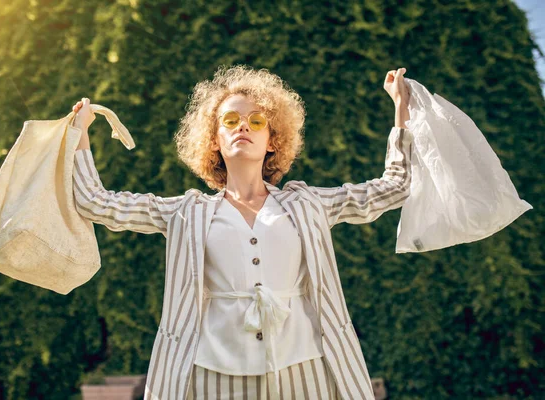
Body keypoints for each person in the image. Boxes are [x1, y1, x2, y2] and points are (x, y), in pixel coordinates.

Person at [70, 64, 412, 400]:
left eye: (256, 121)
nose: (242, 127)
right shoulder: (188, 212)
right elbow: (96, 203)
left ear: (272, 141)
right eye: (230, 121)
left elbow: (394, 187)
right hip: (214, 371)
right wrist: (79, 134)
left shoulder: (307, 204)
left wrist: (402, 109)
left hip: (305, 366)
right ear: (215, 140)